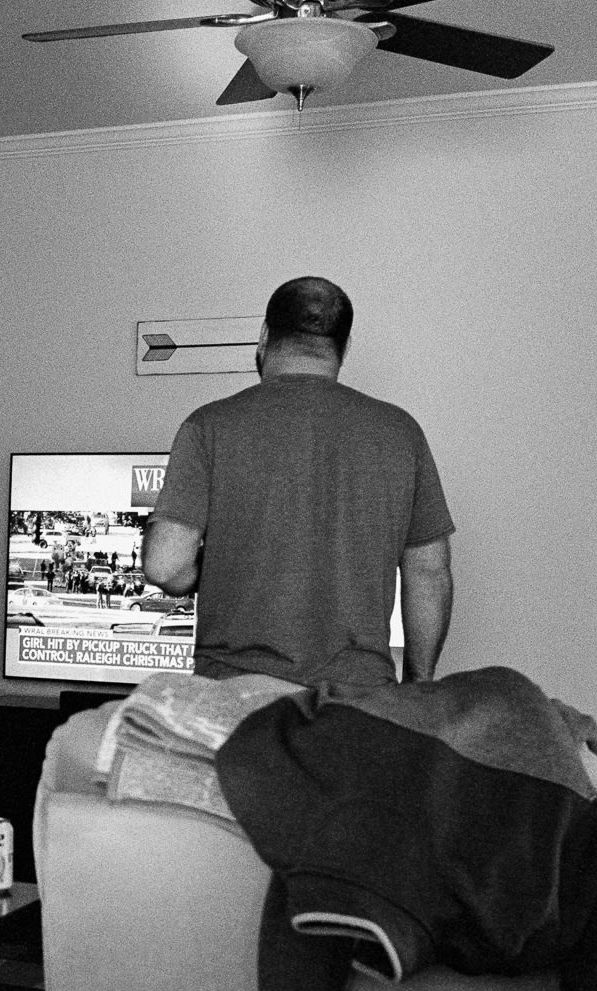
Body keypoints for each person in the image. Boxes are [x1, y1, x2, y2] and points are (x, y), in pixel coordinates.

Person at [143, 276, 454, 688]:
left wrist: (212, 568)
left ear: (264, 336)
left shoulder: (209, 426)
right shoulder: (400, 432)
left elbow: (166, 565)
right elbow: (429, 574)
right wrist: (418, 687)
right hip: (356, 703)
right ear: (343, 348)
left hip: (236, 699)